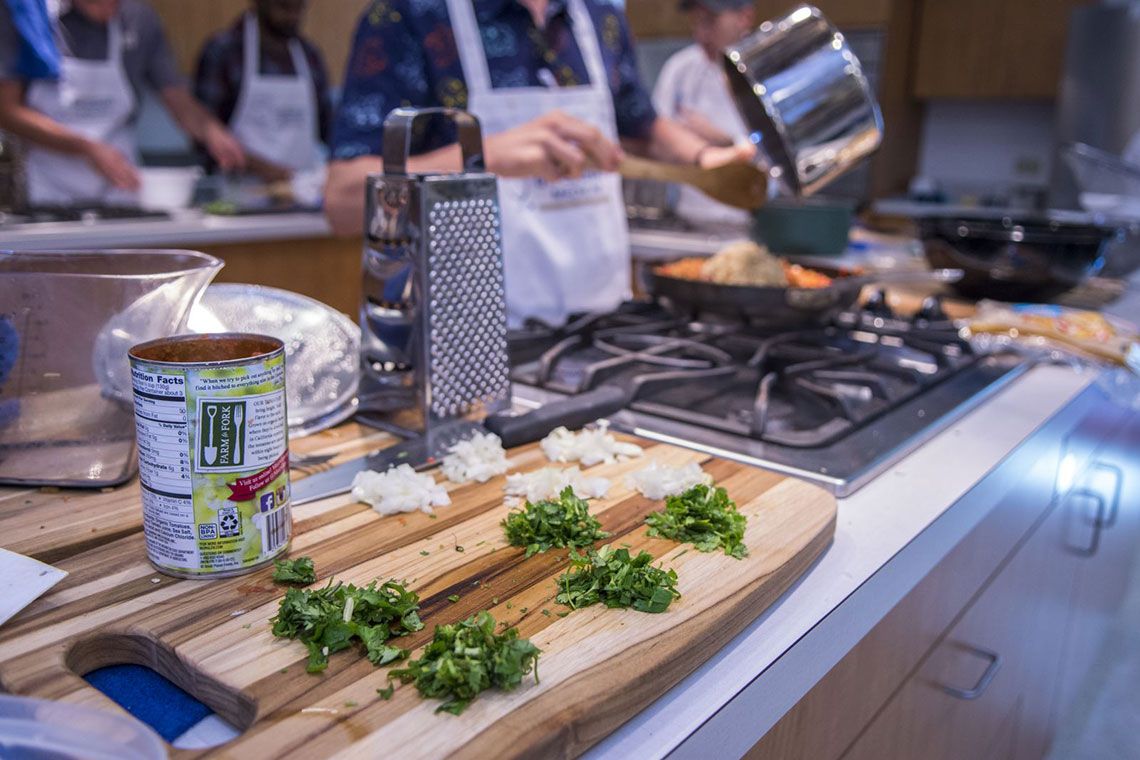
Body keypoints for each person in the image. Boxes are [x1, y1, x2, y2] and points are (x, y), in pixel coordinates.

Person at [325, 0, 756, 327]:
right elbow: (342, 201)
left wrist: (707, 160)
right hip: (470, 346)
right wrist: (483, 159)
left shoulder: (599, 14)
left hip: (605, 330)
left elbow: (641, 123)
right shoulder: (410, 17)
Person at [0, 0, 244, 205]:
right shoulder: (27, 15)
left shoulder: (139, 19)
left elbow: (176, 97)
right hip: (46, 191)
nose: (110, 6)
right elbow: (6, 110)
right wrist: (86, 147)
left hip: (122, 192)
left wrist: (211, 131)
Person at [194, 0, 332, 183]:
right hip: (237, 195)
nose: (293, 16)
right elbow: (204, 136)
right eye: (284, 7)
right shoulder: (225, 52)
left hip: (302, 195)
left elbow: (327, 129)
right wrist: (272, 172)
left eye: (299, 9)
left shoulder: (310, 56)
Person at [652, 0, 755, 225]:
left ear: (744, 17)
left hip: (750, 220)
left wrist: (726, 140)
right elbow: (653, 137)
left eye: (710, 21)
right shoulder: (680, 68)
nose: (701, 34)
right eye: (696, 22)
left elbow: (776, 161)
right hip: (686, 217)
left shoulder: (763, 69)